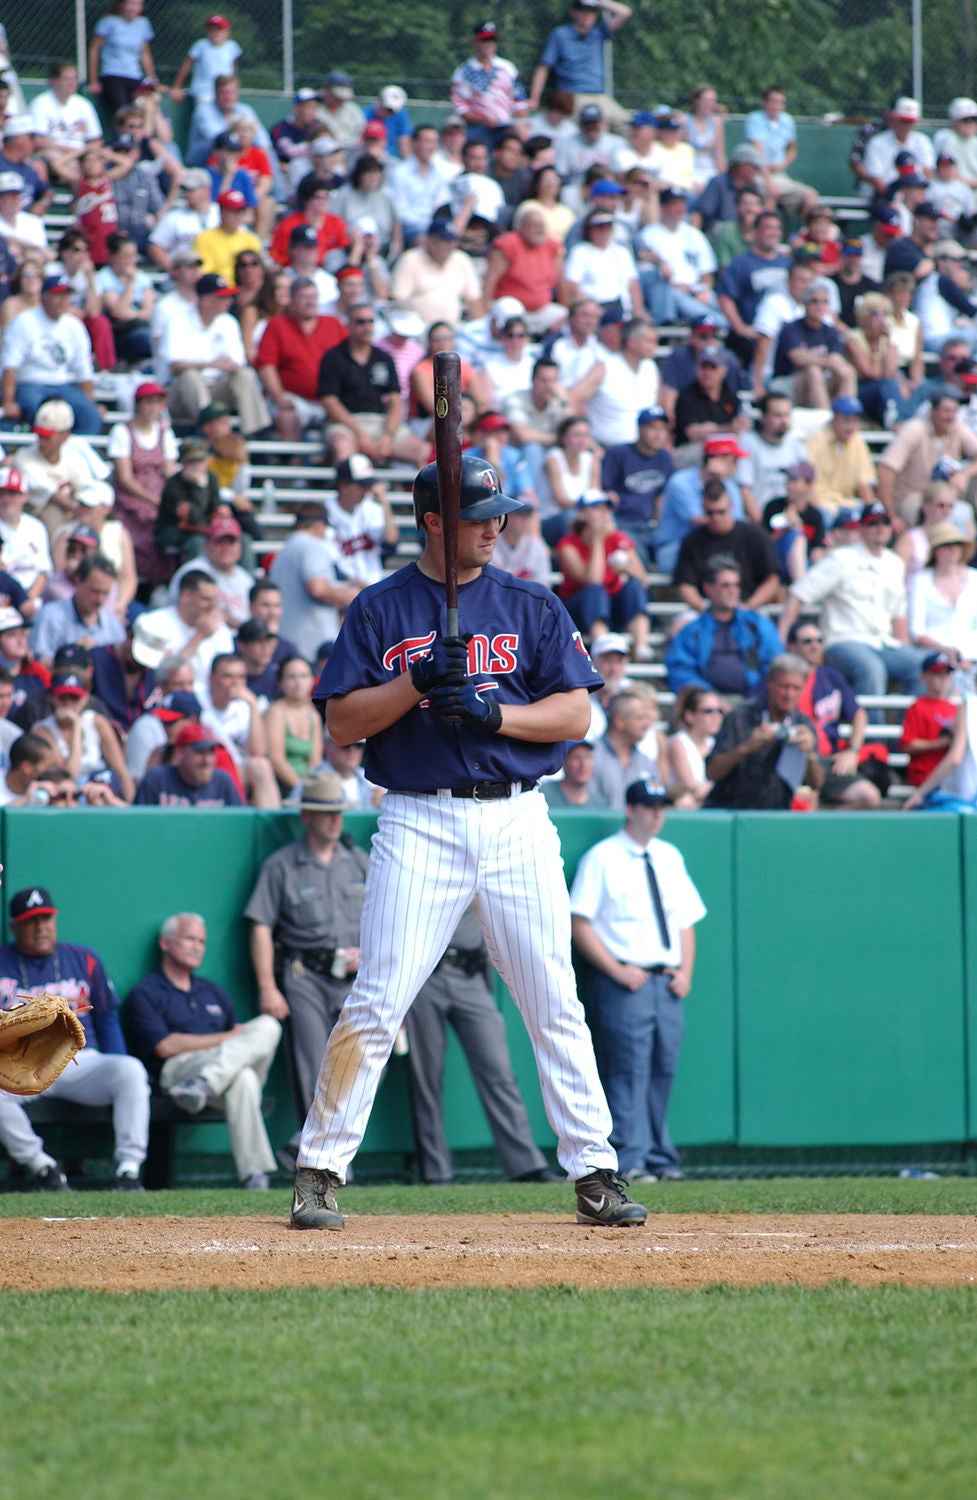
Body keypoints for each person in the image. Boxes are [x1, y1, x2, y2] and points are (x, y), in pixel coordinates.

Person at [288, 453, 647, 1231]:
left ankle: (596, 1171)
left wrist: (493, 714)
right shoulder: (380, 608)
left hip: (517, 816)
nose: (497, 526)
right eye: (480, 516)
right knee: (379, 996)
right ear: (433, 523)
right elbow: (344, 722)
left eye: (500, 514)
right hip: (419, 816)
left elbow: (574, 716)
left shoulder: (530, 602)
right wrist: (414, 682)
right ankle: (319, 1169)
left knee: (552, 996)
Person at [570, 777, 705, 1181]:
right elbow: (580, 921)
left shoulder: (669, 856)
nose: (658, 813)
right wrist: (616, 970)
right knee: (626, 1070)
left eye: (662, 805)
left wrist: (685, 971)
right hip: (625, 981)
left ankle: (661, 1158)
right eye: (650, 806)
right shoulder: (603, 857)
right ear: (630, 809)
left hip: (665, 981)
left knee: (662, 1068)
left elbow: (684, 920)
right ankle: (629, 1158)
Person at [243, 770, 369, 1172]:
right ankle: (327, 1164)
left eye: (338, 811)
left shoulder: (359, 860)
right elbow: (261, 925)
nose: (335, 819)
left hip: (353, 976)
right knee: (315, 1067)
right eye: (325, 811)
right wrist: (268, 985)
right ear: (307, 817)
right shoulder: (282, 865)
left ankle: (307, 1146)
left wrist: (368, 954)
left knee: (363, 1063)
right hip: (304, 973)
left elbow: (386, 917)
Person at [0, 885, 149, 1190]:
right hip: (23, 1064)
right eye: (30, 921)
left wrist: (116, 1057)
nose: (40, 927)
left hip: (81, 1061)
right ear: (15, 927)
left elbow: (106, 1017)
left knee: (130, 1070)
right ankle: (42, 1167)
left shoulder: (84, 959)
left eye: (46, 919)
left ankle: (129, 1170)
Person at [404, 905, 559, 1184]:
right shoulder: (418, 862)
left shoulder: (485, 863)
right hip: (423, 976)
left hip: (471, 972)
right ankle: (435, 1171)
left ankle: (526, 1165)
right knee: (425, 1078)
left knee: (499, 1071)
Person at [126, 912, 280, 1191]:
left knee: (269, 1026)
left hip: (211, 1081)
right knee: (242, 1077)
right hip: (177, 1075)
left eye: (202, 941)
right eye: (189, 938)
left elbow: (241, 1044)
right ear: (166, 943)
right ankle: (255, 1175)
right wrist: (225, 1038)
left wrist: (228, 1043)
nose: (197, 946)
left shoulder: (214, 992)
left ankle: (206, 1083)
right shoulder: (147, 992)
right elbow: (165, 1046)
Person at [778, 501, 927, 703]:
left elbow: (898, 617)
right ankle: (873, 733)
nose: (880, 528)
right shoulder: (842, 559)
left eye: (885, 523)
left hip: (883, 642)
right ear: (862, 529)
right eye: (873, 523)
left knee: (922, 666)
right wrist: (782, 635)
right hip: (844, 640)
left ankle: (909, 729)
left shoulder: (895, 564)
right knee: (871, 669)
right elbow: (799, 593)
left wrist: (904, 649)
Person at [705, 653, 823, 808]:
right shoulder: (740, 718)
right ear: (769, 683)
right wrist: (747, 747)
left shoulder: (803, 724)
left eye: (796, 688)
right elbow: (712, 772)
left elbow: (816, 784)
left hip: (776, 815)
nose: (789, 694)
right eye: (784, 687)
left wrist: (810, 754)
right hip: (731, 809)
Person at [318, 304, 429, 467]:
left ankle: (423, 492)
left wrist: (388, 435)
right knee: (343, 449)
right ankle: (350, 491)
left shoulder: (383, 358)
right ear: (348, 325)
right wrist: (359, 434)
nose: (367, 327)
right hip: (346, 423)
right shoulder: (333, 357)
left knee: (424, 452)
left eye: (370, 322)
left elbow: (395, 400)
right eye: (360, 322)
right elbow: (329, 401)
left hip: (380, 422)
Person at [666, 556, 783, 696]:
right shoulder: (691, 632)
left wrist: (757, 696)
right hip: (706, 706)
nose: (733, 590)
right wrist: (707, 697)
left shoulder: (758, 625)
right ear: (708, 588)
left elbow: (775, 663)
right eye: (726, 585)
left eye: (736, 585)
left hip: (754, 701)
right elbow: (680, 670)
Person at [1, 273, 99, 436]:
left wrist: (91, 402)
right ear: (44, 296)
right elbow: (10, 365)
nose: (63, 300)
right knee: (38, 411)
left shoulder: (74, 326)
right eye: (57, 295)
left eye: (66, 295)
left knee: (90, 416)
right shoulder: (24, 322)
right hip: (30, 382)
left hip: (62, 383)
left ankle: (78, 453)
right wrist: (8, 402)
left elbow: (83, 369)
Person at [555, 492, 651, 657]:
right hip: (578, 611)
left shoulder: (618, 538)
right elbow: (593, 580)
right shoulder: (567, 544)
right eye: (597, 509)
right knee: (595, 591)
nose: (604, 514)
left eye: (606, 509)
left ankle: (641, 645)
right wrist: (598, 541)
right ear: (582, 514)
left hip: (612, 607)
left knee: (633, 586)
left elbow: (643, 579)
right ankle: (603, 646)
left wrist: (627, 568)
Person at [268, 501, 360, 664]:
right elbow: (317, 588)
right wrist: (352, 597)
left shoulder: (284, 551)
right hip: (313, 646)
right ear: (318, 525)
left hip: (288, 641)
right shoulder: (312, 546)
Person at [673, 481, 780, 613]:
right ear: (703, 508)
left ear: (730, 507)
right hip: (705, 608)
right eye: (710, 513)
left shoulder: (754, 535)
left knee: (761, 630)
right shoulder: (692, 541)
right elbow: (685, 585)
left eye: (721, 512)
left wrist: (748, 607)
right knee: (680, 627)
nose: (716, 518)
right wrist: (704, 610)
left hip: (749, 605)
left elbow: (772, 580)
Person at [528, 0, 633, 129]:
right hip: (572, 96)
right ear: (574, 13)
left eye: (592, 12)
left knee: (627, 124)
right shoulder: (560, 35)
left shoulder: (598, 32)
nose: (588, 16)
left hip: (599, 96)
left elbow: (625, 12)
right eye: (584, 12)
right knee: (588, 126)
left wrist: (599, 2)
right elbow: (544, 67)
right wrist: (534, 98)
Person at [131, 569, 235, 696]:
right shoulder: (154, 623)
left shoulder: (220, 630)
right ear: (185, 596)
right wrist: (198, 637)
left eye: (215, 601)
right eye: (206, 599)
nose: (212, 607)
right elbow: (161, 677)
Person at [30, 553, 125, 668]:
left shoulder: (113, 627)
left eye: (106, 593)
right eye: (95, 591)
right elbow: (35, 664)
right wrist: (71, 655)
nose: (100, 600)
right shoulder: (49, 617)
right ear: (78, 581)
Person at [907, 522, 977, 662]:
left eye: (957, 544)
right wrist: (945, 650)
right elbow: (917, 631)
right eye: (946, 545)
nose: (953, 549)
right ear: (936, 551)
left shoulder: (974, 578)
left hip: (972, 655)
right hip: (935, 657)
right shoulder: (921, 581)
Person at [133, 718, 243, 806]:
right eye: (200, 752)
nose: (207, 761)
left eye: (211, 753)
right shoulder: (157, 780)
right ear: (180, 754)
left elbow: (240, 825)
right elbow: (138, 825)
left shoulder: (222, 782)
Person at [805, 395, 877, 517]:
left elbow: (864, 485)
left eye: (855, 421)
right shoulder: (817, 439)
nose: (851, 427)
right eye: (846, 421)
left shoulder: (858, 441)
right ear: (834, 420)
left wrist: (873, 515)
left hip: (847, 505)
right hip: (821, 505)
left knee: (870, 517)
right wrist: (815, 515)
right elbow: (806, 482)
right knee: (824, 517)